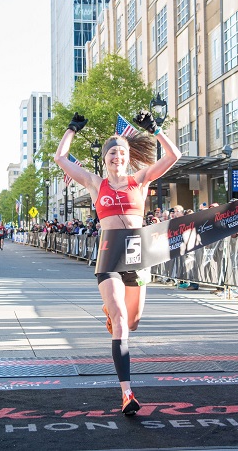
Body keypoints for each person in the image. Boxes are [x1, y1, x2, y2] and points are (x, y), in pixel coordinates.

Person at [55, 111, 181, 414]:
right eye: (112, 152)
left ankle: (112, 311)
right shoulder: (96, 184)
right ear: (105, 158)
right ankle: (127, 393)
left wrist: (156, 129)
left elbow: (174, 155)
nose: (117, 156)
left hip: (137, 257)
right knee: (121, 320)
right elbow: (61, 158)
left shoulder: (139, 180)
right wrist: (72, 128)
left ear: (127, 159)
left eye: (122, 152)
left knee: (132, 322)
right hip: (109, 254)